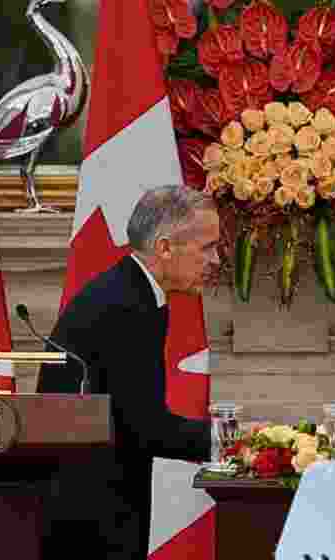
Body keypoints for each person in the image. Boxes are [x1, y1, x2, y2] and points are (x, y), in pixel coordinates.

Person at [36, 184, 222, 559]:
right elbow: (146, 427)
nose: (216, 260)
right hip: (89, 521)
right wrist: (235, 442)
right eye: (207, 248)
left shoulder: (134, 292)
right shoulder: (123, 306)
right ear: (166, 248)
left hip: (103, 505)